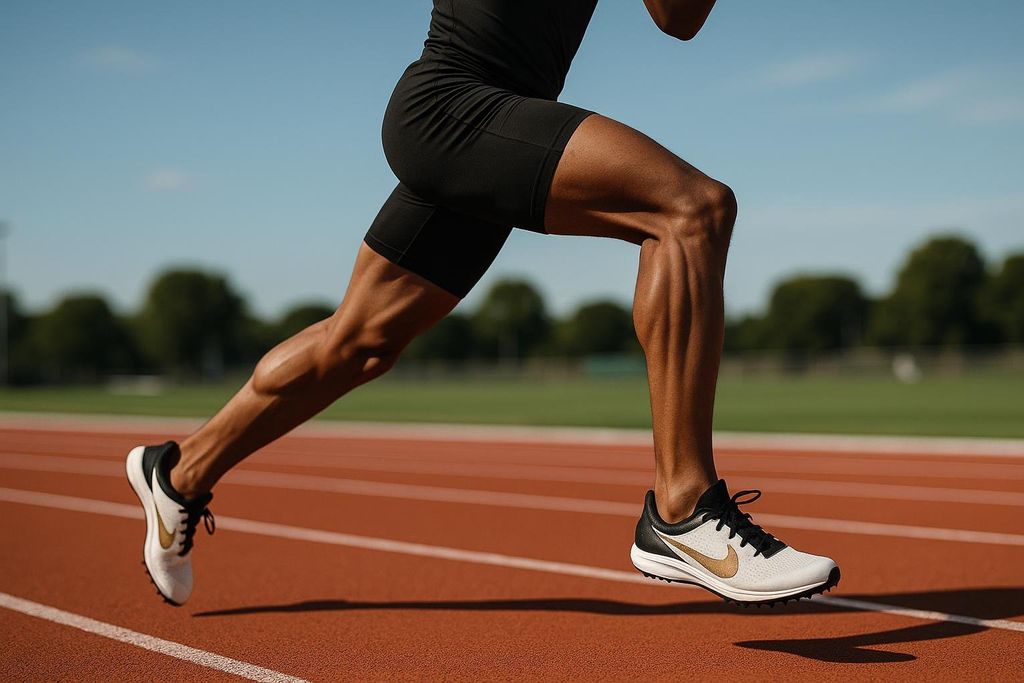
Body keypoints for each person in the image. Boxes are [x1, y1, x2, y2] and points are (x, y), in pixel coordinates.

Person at [126, 0, 839, 607]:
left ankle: (179, 472)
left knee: (360, 341)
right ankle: (682, 507)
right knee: (691, 210)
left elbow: (677, 18)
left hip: (500, 123)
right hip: (450, 106)